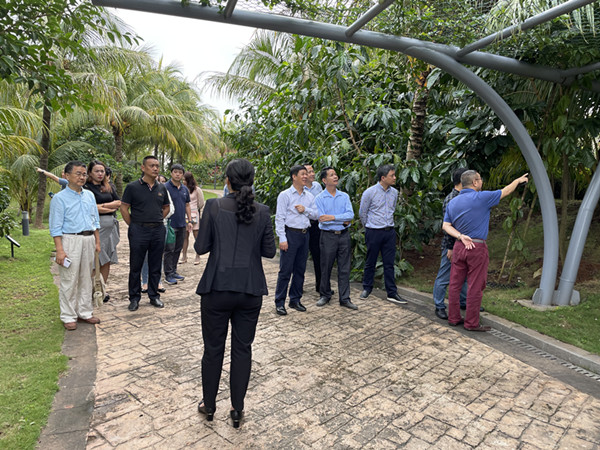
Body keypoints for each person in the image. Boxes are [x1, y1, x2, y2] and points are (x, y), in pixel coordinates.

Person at [195, 159, 276, 428]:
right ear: (252, 180)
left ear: (227, 181)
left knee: (213, 349)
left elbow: (201, 247)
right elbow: (269, 251)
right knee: (243, 349)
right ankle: (237, 408)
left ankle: (209, 405)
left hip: (217, 288)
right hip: (250, 290)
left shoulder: (214, 206)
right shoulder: (262, 211)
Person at [443, 170, 529, 331]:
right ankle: (471, 323)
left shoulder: (452, 202)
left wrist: (460, 236)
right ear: (474, 182)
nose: (482, 182)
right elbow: (506, 191)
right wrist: (517, 181)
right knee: (475, 286)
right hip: (476, 247)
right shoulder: (482, 197)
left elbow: (446, 225)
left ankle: (453, 318)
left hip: (459, 246)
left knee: (455, 284)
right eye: (480, 179)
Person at [49, 161, 101, 330]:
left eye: (84, 174)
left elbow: (95, 220)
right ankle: (68, 316)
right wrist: (60, 250)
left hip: (88, 239)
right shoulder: (59, 198)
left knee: (86, 278)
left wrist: (97, 241)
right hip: (70, 240)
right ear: (66, 175)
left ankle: (85, 312)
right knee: (69, 279)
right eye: (78, 173)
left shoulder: (89, 195)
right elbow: (55, 227)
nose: (82, 177)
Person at [120, 156, 170, 312]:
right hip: (138, 230)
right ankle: (134, 298)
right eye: (151, 165)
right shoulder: (132, 187)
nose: (155, 168)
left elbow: (166, 207)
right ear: (143, 168)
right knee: (136, 265)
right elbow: (124, 208)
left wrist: (156, 219)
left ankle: (154, 295)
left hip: (158, 230)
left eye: (157, 166)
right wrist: (134, 224)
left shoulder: (161, 188)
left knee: (156, 264)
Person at [358, 164, 407, 304]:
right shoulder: (370, 192)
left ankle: (392, 292)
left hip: (389, 232)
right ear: (383, 178)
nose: (395, 178)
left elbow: (392, 209)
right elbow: (362, 213)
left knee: (389, 263)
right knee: (370, 261)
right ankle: (367, 288)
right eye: (392, 175)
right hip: (373, 231)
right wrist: (369, 226)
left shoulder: (394, 193)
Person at [274, 165, 318, 316]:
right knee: (285, 270)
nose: (306, 176)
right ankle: (280, 302)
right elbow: (279, 218)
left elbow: (316, 214)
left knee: (300, 269)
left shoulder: (309, 196)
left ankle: (295, 300)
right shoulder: (285, 195)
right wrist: (282, 238)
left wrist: (305, 209)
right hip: (290, 234)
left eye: (306, 174)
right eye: (302, 174)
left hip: (305, 235)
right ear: (294, 177)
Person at [315, 167, 358, 310]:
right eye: (331, 175)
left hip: (344, 235)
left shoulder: (344, 196)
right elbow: (322, 220)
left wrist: (332, 217)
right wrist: (341, 219)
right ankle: (325, 295)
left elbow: (350, 215)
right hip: (328, 236)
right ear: (324, 180)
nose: (335, 177)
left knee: (344, 268)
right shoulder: (319, 198)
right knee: (326, 266)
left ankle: (345, 298)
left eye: (336, 174)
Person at [432, 168, 469, 320]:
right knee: (444, 276)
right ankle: (439, 305)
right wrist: (449, 247)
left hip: (463, 243)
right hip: (452, 245)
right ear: (462, 181)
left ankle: (464, 302)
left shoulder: (464, 197)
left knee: (464, 275)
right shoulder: (451, 199)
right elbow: (447, 226)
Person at [83, 160, 121, 303]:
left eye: (102, 171)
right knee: (96, 259)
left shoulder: (108, 186)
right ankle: (90, 290)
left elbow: (118, 203)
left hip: (110, 225)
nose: (100, 174)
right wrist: (107, 206)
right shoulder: (86, 188)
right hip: (96, 227)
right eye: (97, 171)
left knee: (107, 259)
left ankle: (102, 289)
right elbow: (90, 208)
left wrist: (102, 206)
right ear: (90, 172)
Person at [141, 174, 172, 294]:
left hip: (161, 226)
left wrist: (158, 218)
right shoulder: (140, 190)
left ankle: (158, 282)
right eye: (159, 181)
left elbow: (170, 209)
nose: (161, 183)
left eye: (163, 181)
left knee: (158, 256)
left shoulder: (164, 191)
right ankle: (145, 281)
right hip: (144, 228)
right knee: (145, 256)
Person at [163, 164, 193, 285]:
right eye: (175, 172)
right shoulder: (165, 187)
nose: (177, 174)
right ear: (171, 173)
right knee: (169, 249)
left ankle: (174, 271)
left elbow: (187, 205)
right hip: (170, 223)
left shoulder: (184, 189)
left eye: (180, 173)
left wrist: (189, 221)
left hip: (181, 223)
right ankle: (168, 274)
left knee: (177, 248)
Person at [304, 164, 323, 293]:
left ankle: (320, 285)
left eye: (312, 171)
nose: (312, 174)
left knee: (318, 255)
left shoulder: (318, 186)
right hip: (305, 224)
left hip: (317, 225)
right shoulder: (300, 189)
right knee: (301, 257)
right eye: (309, 172)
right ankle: (297, 285)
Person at [180, 171, 205, 265]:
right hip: (184, 214)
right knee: (185, 236)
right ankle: (184, 256)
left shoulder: (197, 190)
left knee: (196, 236)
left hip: (194, 214)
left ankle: (198, 256)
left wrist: (196, 210)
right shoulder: (182, 189)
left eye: (184, 180)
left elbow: (201, 203)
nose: (183, 181)